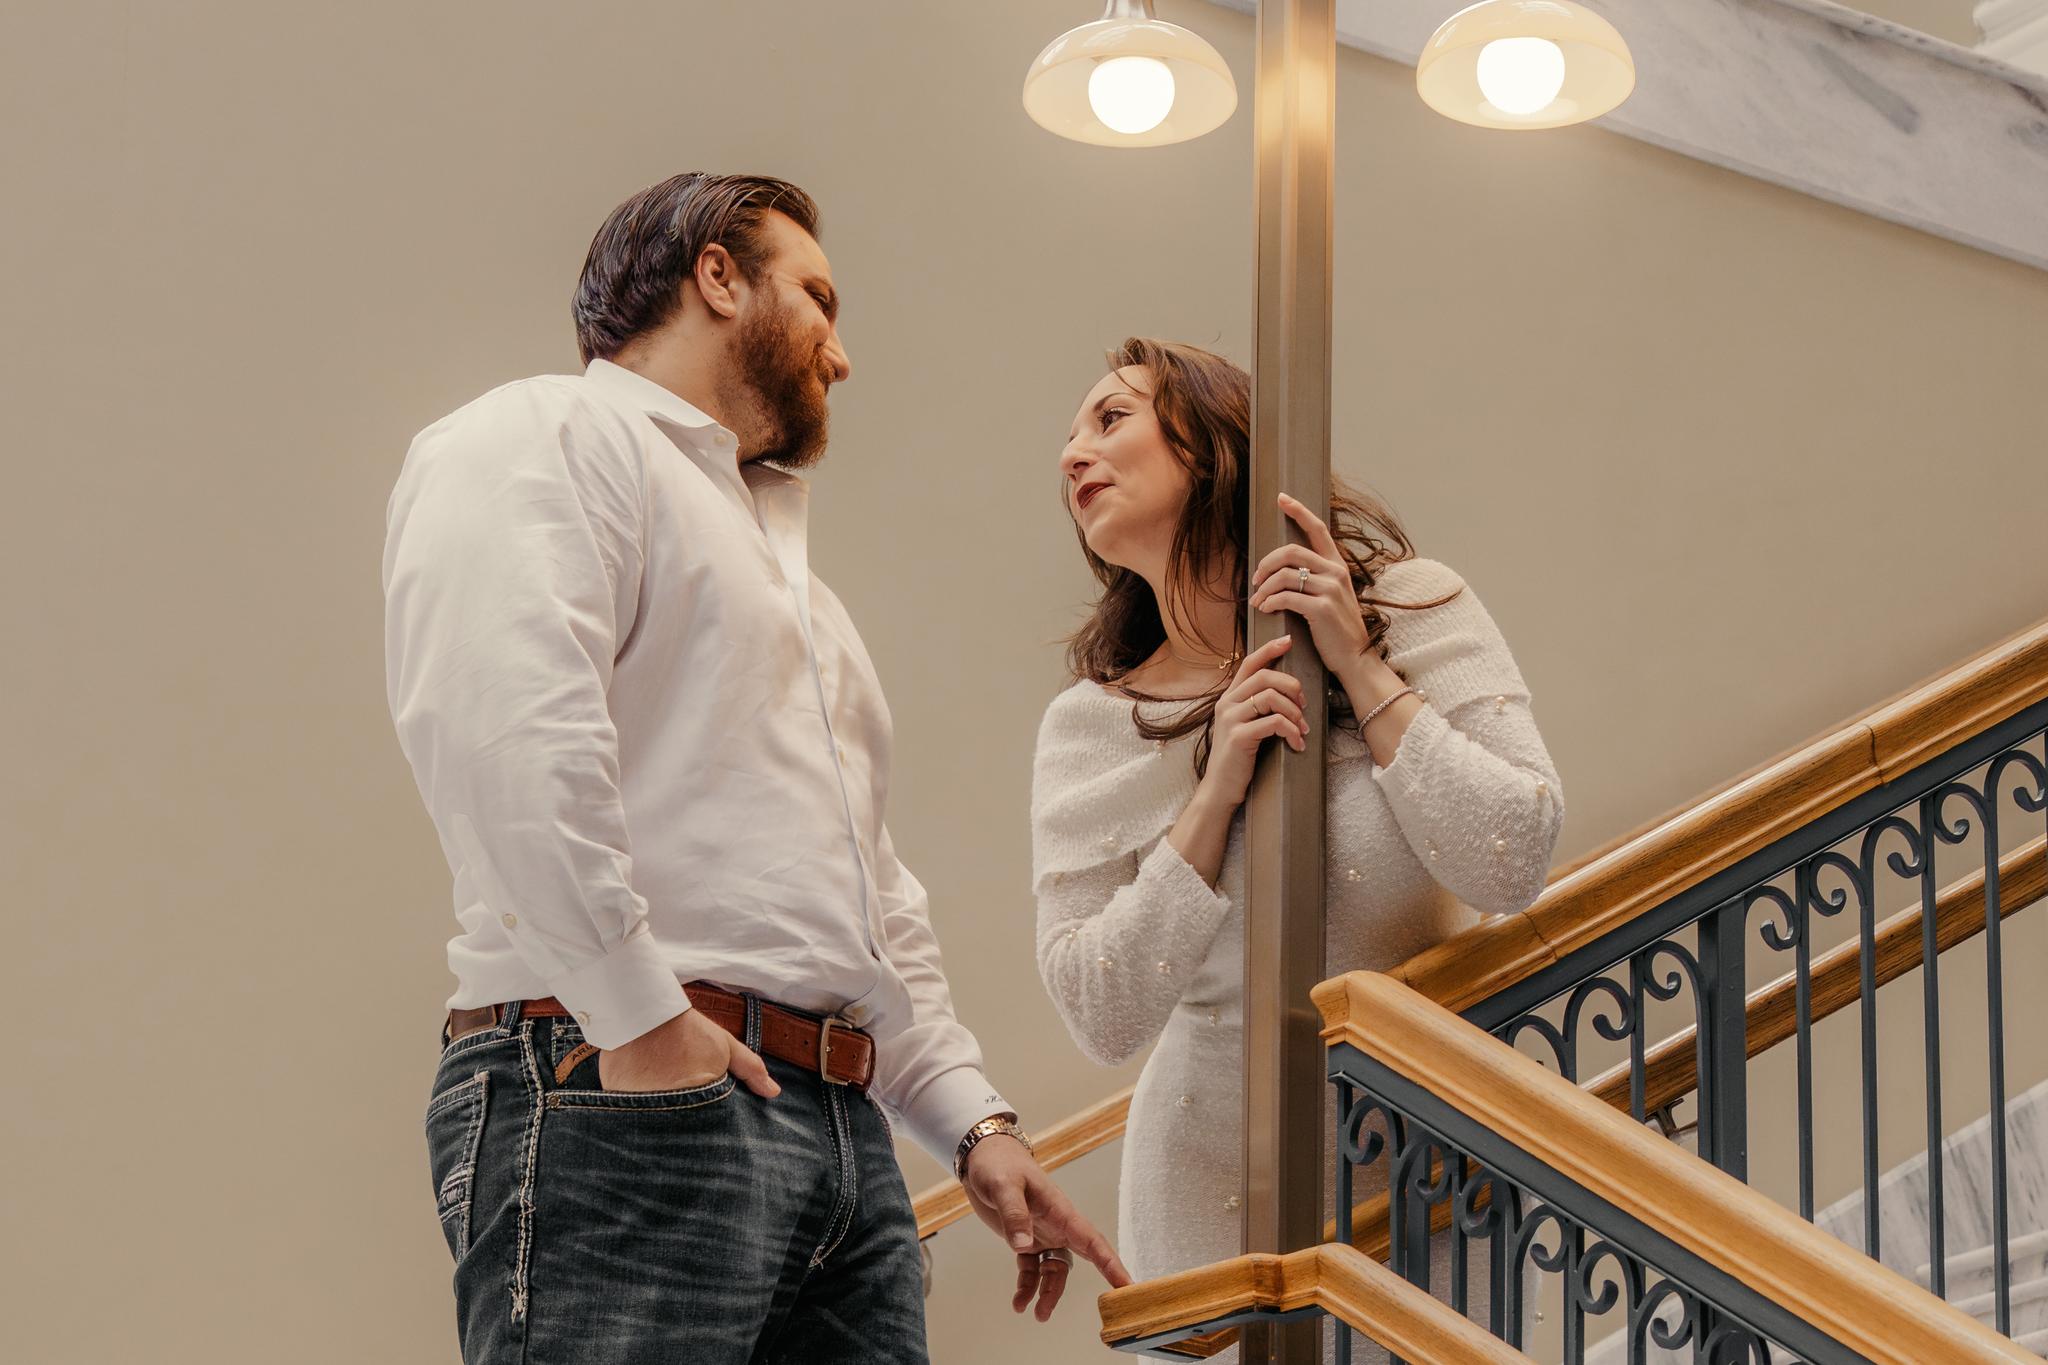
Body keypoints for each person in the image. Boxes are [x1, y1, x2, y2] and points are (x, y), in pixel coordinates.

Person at [385, 172, 1126, 1365]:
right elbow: (505, 738)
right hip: (620, 1086)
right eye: (819, 299)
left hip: (837, 1133)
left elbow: (865, 892)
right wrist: (639, 1024)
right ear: (717, 277)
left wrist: (968, 1119)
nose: (841, 357)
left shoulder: (802, 595)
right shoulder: (541, 434)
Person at [1031, 338, 1563, 1359]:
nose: (1072, 456)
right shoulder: (1088, 726)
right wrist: (1215, 789)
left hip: (1424, 1158)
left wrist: (1361, 670)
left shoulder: (1409, 604)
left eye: (1109, 418)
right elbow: (1098, 1009)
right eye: (1069, 437)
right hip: (1204, 1179)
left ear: (1210, 437)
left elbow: (1512, 854)